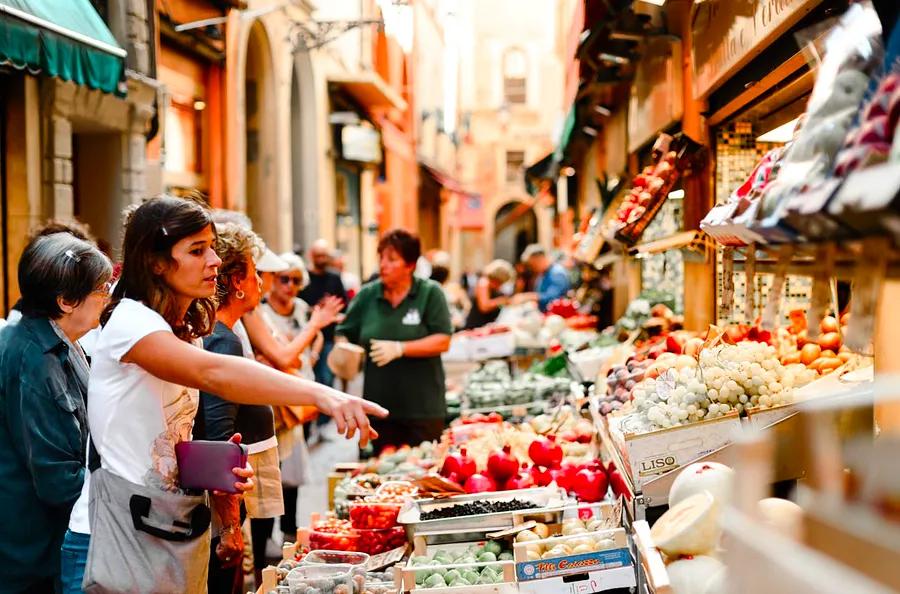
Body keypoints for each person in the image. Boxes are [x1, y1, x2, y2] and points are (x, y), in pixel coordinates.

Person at [64, 196, 387, 592]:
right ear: (156, 261)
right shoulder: (131, 322)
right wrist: (325, 396)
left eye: (212, 247)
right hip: (113, 536)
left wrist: (217, 470)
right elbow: (214, 373)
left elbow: (163, 434)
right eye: (197, 250)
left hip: (168, 528)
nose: (214, 261)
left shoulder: (180, 329)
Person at [0, 232, 112, 593]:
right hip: (30, 553)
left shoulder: (56, 342)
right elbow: (55, 477)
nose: (107, 297)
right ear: (66, 300)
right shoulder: (33, 358)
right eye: (101, 289)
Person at [193, 222, 283, 593]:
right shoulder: (222, 340)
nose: (261, 281)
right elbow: (219, 436)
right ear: (236, 282)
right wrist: (229, 526)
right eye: (254, 271)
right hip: (221, 500)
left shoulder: (222, 334)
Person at [335, 229, 452, 452]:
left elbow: (443, 340)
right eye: (381, 258)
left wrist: (401, 348)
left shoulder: (430, 294)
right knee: (383, 473)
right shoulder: (368, 295)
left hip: (423, 409)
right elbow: (345, 331)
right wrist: (345, 352)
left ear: (410, 265)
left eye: (392, 259)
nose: (383, 265)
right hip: (380, 409)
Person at [261, 252, 343, 545]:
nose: (289, 286)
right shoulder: (260, 313)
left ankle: (288, 531)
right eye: (283, 279)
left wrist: (314, 350)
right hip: (275, 399)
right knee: (273, 469)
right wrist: (312, 332)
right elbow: (282, 356)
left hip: (297, 396)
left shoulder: (301, 309)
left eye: (296, 280)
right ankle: (267, 536)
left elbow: (313, 336)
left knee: (292, 469)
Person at [299, 239, 348, 391]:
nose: (321, 259)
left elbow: (344, 305)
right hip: (307, 337)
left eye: (324, 256)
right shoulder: (303, 278)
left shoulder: (334, 278)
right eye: (318, 255)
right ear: (311, 255)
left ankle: (323, 415)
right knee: (308, 379)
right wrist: (315, 311)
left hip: (328, 337)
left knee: (327, 380)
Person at [464, 259, 516, 330]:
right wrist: (501, 301)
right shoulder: (484, 283)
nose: (500, 286)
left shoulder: (493, 287)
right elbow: (484, 306)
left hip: (486, 326)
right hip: (476, 326)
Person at [520, 244, 571, 312]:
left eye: (533, 264)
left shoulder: (557, 273)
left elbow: (553, 297)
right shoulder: (544, 273)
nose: (532, 268)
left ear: (540, 259)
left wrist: (527, 297)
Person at [428, 251, 471, 331]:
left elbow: (467, 305)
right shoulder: (429, 289)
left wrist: (460, 318)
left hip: (454, 326)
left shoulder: (454, 287)